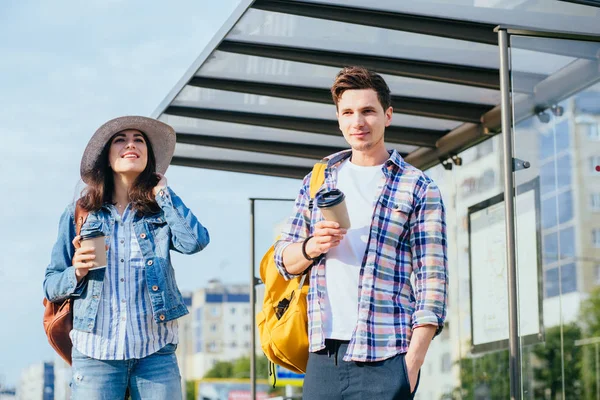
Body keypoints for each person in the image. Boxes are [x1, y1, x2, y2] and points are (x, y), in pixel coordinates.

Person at [274, 67, 448, 400]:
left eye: (368, 111)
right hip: (325, 354)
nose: (359, 121)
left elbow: (433, 282)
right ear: (339, 119)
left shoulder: (418, 187)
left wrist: (411, 364)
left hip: (387, 355)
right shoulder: (319, 180)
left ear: (388, 115)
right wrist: (312, 246)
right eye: (349, 112)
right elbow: (284, 259)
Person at [43, 116, 210, 400]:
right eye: (120, 139)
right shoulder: (81, 214)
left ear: (148, 156)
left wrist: (163, 193)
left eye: (139, 140)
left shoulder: (160, 211)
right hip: (96, 355)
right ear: (106, 156)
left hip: (155, 355)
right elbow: (50, 285)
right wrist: (78, 271)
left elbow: (194, 242)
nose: (130, 144)